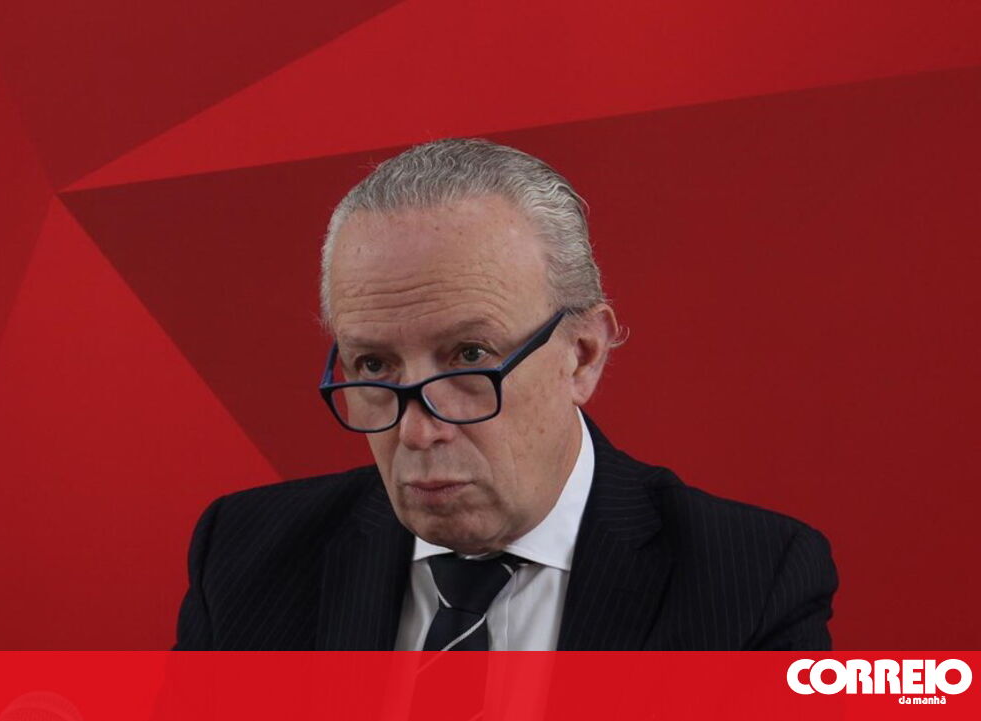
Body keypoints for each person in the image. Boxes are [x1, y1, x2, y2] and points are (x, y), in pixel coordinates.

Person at [173, 138, 838, 651]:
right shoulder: (243, 557)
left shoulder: (750, 581)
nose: (417, 432)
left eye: (469, 356)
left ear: (582, 355)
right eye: (373, 364)